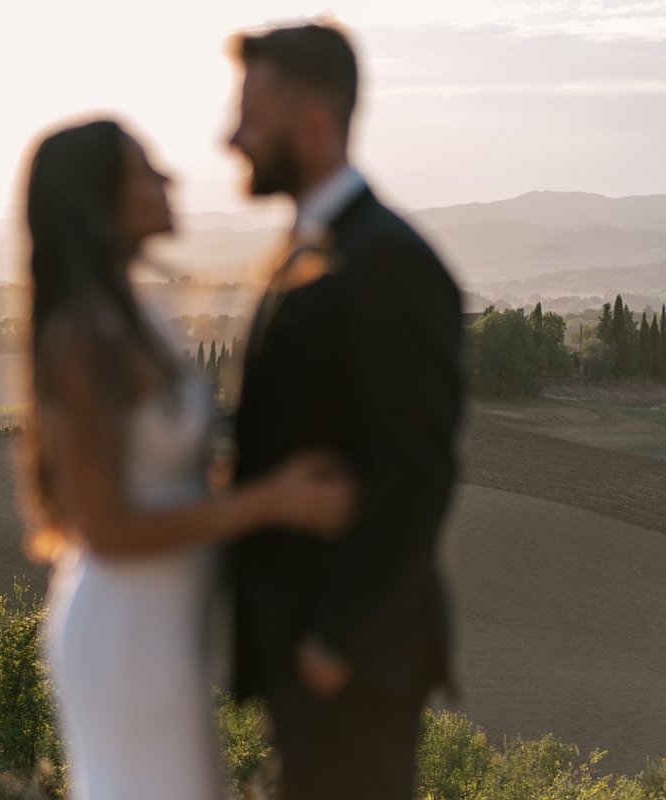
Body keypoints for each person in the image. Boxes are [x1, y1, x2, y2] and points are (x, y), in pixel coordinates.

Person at [23, 118, 355, 800]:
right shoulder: (87, 336)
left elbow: (167, 480)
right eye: (146, 170)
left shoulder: (131, 319)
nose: (168, 179)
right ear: (101, 201)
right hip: (126, 629)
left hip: (166, 622)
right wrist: (270, 501)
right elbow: (108, 529)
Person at [226, 22, 464, 800]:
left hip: (352, 664)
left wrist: (332, 639)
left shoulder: (388, 262)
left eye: (252, 117)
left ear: (314, 124)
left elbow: (420, 474)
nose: (232, 137)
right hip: (301, 649)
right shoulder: (314, 248)